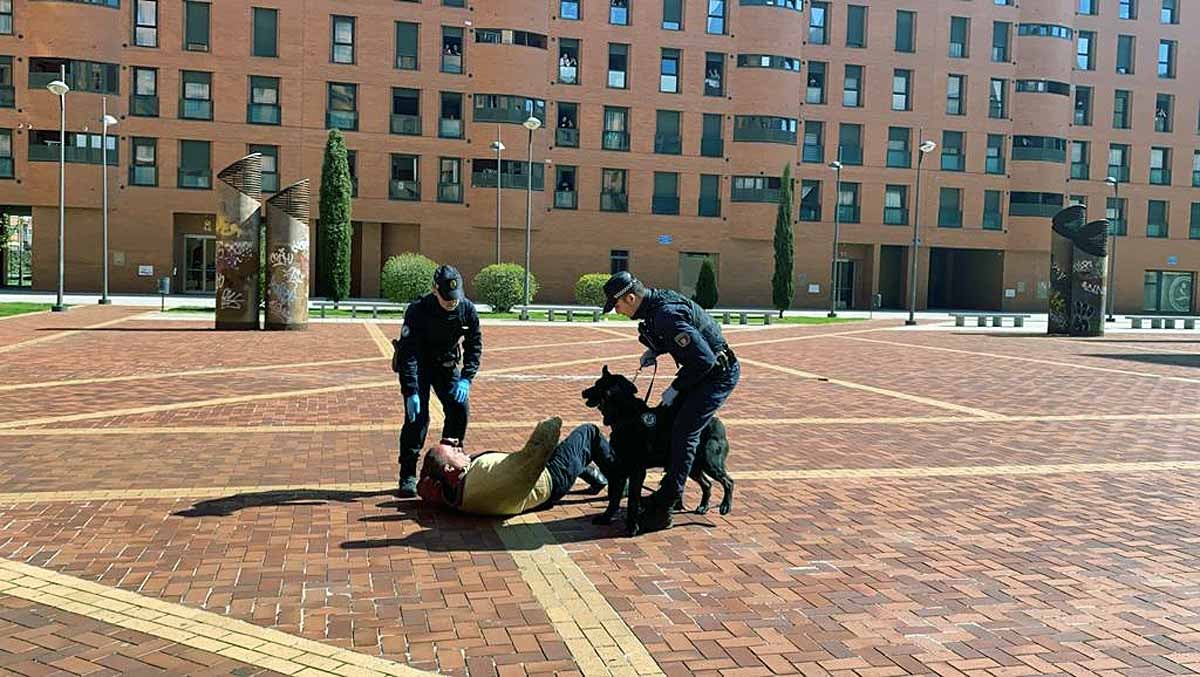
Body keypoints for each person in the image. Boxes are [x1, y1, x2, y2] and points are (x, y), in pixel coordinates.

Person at [600, 271, 739, 532]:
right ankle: (671, 487)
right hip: (700, 371)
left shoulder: (666, 315)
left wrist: (675, 388)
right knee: (669, 420)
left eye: (617, 306)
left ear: (630, 298)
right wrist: (655, 349)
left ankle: (666, 504)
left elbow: (704, 360)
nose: (617, 311)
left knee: (685, 431)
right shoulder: (656, 305)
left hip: (716, 375)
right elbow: (687, 337)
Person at [393, 265, 482, 497]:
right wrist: (411, 390)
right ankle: (408, 474)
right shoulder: (418, 310)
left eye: (455, 298)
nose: (451, 303)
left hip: (447, 366)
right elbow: (408, 354)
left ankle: (448, 463)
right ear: (435, 290)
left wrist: (466, 378)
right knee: (418, 419)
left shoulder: (467, 310)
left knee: (459, 409)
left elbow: (474, 346)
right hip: (419, 367)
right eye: (446, 299)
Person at [417, 417, 610, 516]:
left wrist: (444, 450)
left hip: (530, 487)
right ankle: (621, 479)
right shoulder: (483, 475)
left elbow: (422, 487)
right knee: (588, 433)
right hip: (550, 479)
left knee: (567, 451)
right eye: (455, 452)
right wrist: (552, 423)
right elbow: (535, 453)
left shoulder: (448, 493)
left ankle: (595, 476)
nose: (459, 447)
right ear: (450, 470)